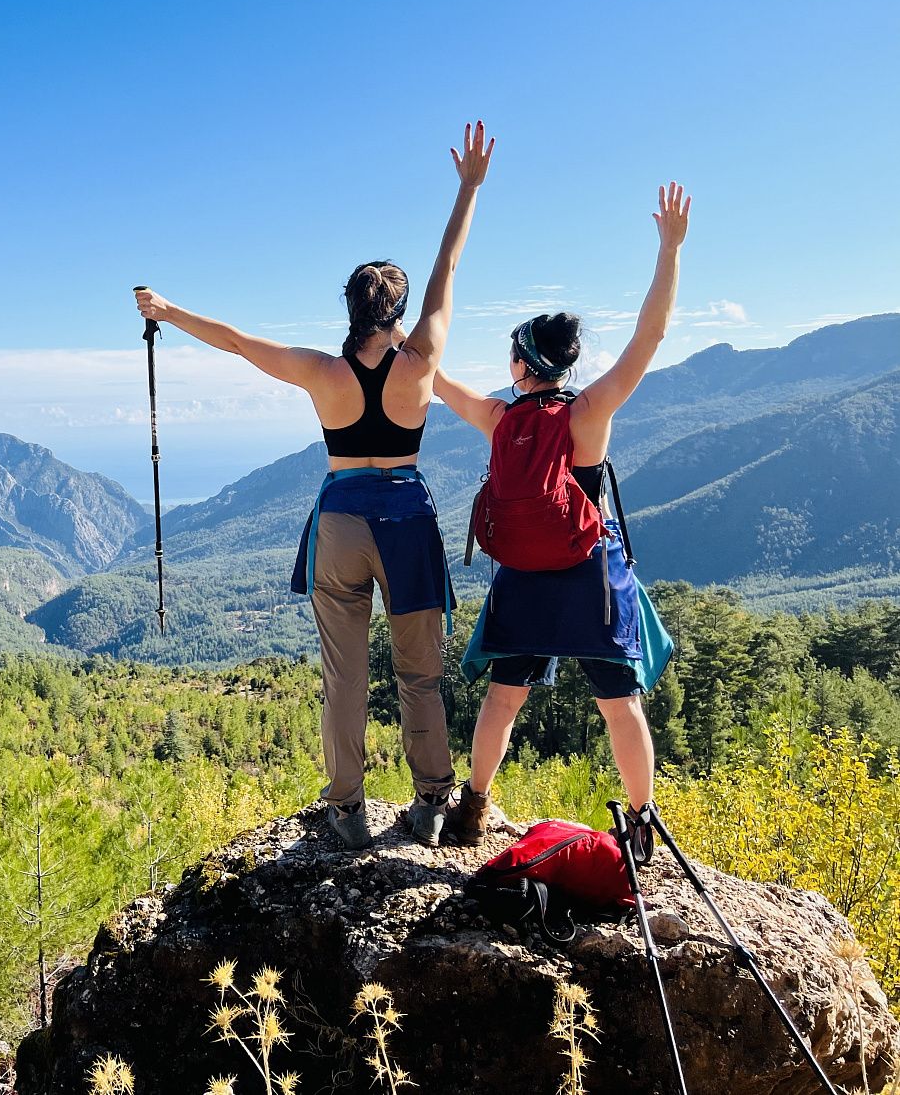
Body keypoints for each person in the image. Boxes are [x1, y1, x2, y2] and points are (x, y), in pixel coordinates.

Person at [134, 121, 495, 849]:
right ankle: (429, 802)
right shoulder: (420, 358)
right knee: (419, 671)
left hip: (339, 522)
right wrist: (468, 189)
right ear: (392, 315)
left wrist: (168, 311)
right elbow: (448, 269)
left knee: (345, 677)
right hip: (406, 517)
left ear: (349, 309)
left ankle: (348, 810)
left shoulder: (320, 372)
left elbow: (237, 340)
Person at [433, 182, 691, 850]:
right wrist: (669, 250)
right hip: (589, 576)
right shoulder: (589, 414)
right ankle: (640, 825)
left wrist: (405, 330)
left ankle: (474, 805)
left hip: (522, 573)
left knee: (504, 695)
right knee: (618, 703)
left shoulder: (498, 418)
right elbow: (651, 334)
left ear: (522, 362)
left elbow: (432, 374)